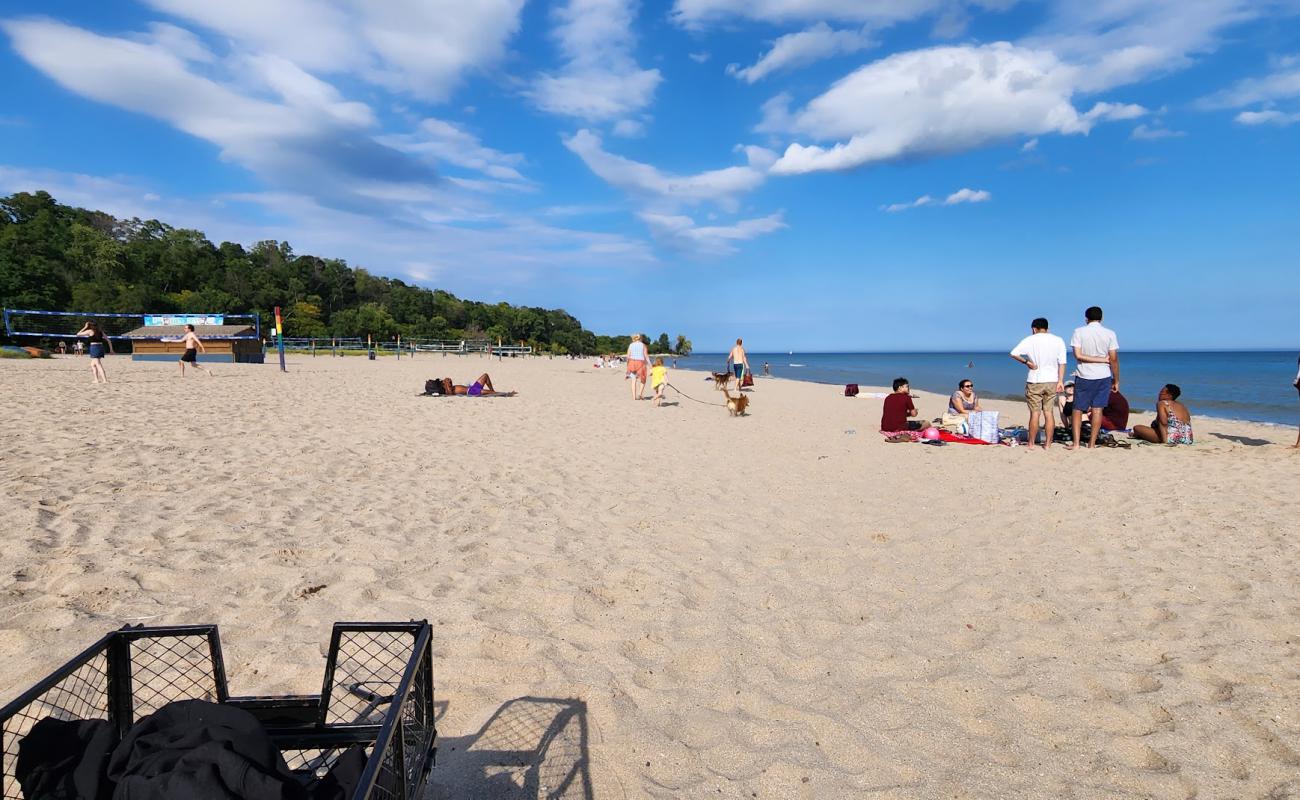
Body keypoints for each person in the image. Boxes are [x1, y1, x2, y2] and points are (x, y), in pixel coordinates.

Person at [1009, 317, 1068, 450]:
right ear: (1047, 328)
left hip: (1035, 380)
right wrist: (1060, 381)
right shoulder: (1058, 340)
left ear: (1034, 329)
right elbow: (1062, 362)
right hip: (1052, 380)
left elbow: (1013, 353)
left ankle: (1031, 443)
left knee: (1035, 413)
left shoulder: (1030, 340)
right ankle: (1047, 444)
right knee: (1049, 412)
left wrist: (1026, 362)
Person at [1068, 306, 1120, 450]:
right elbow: (1114, 359)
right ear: (1101, 318)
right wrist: (1116, 379)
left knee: (1078, 409)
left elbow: (1078, 355)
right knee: (1098, 409)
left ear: (1086, 318)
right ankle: (1091, 444)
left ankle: (1077, 443)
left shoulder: (1079, 332)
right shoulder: (1110, 333)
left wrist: (1100, 361)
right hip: (1103, 375)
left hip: (1084, 374)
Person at [75, 320, 113, 384]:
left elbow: (78, 334)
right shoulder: (100, 331)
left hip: (94, 347)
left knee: (98, 364)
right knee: (93, 364)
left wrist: (85, 327)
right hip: (100, 347)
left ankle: (105, 380)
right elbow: (108, 340)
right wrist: (111, 350)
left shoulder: (90, 331)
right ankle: (96, 380)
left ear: (90, 326)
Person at [430, 374, 512, 396]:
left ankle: (493, 390)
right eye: (447, 380)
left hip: (472, 388)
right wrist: (447, 384)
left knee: (485, 376)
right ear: (443, 384)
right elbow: (450, 394)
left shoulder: (449, 386)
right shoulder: (448, 390)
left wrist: (448, 382)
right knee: (491, 393)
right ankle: (507, 394)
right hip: (472, 391)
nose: (449, 380)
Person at [626, 334, 649, 400]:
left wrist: (627, 365)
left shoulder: (631, 345)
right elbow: (646, 356)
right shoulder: (643, 345)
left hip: (632, 362)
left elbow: (628, 356)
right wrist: (650, 366)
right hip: (641, 363)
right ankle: (640, 394)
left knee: (633, 380)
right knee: (643, 379)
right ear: (641, 338)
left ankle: (634, 397)